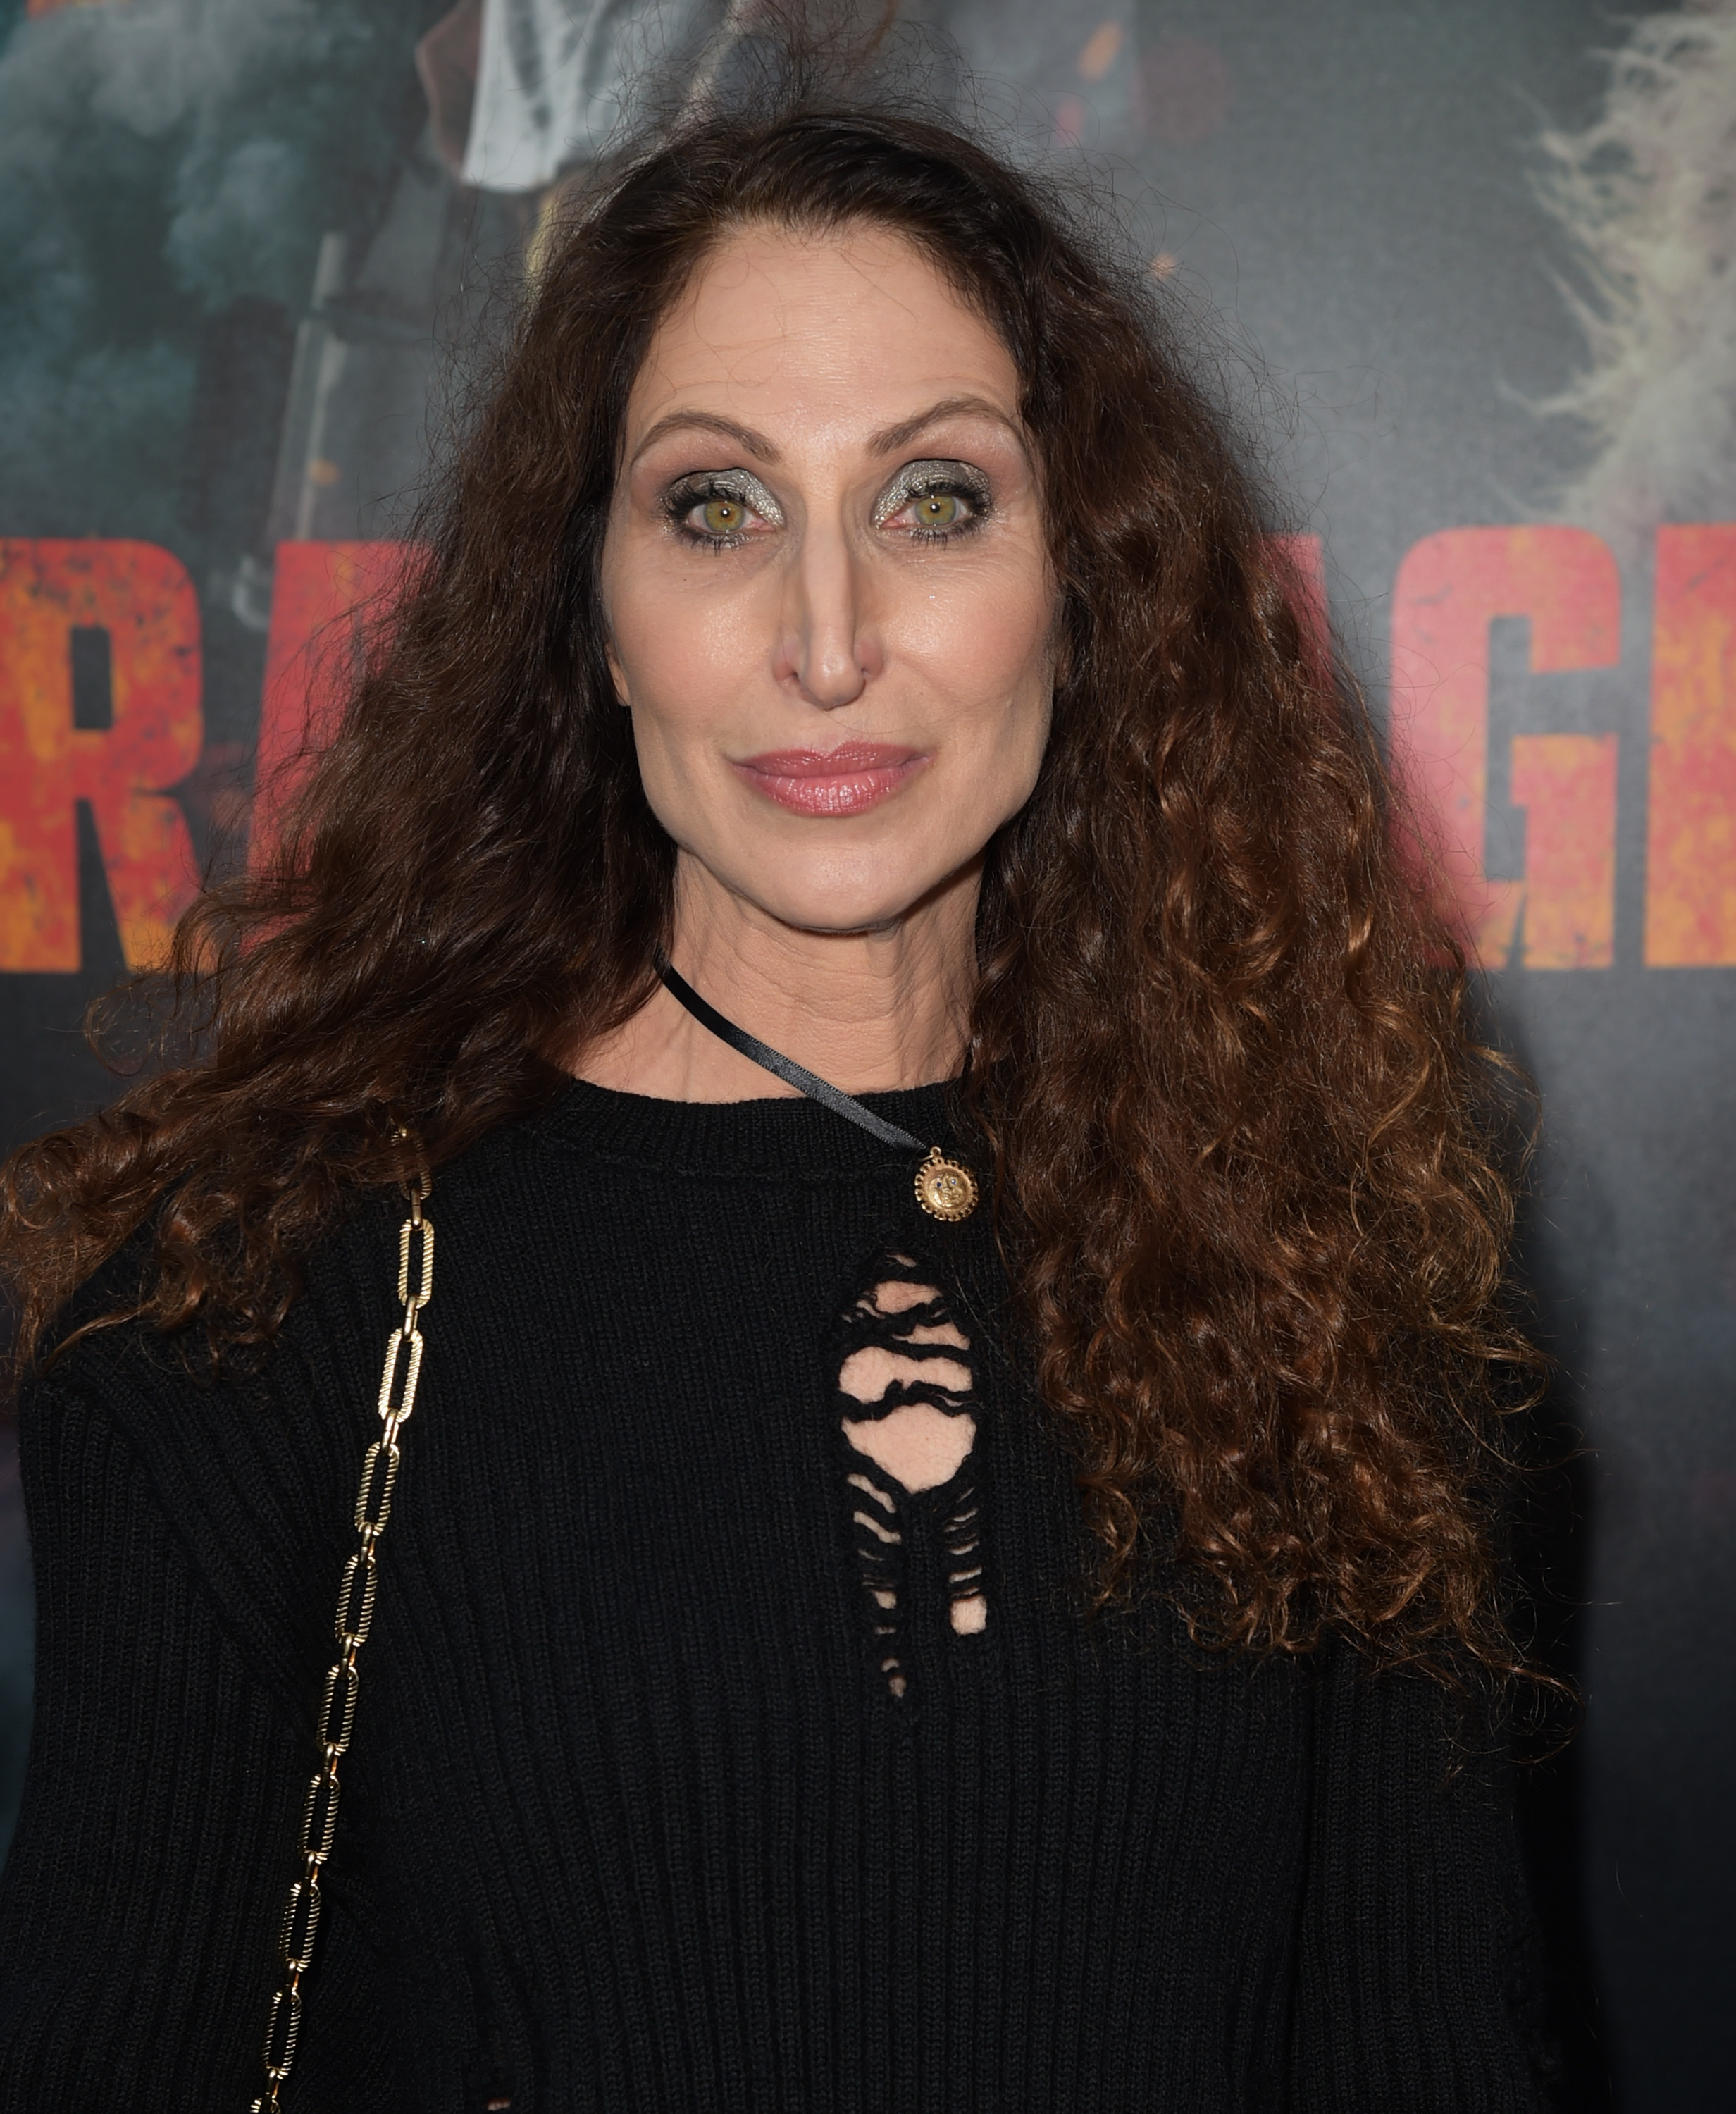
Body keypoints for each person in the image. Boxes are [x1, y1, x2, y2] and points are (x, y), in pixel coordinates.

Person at [0, 97, 1557, 2113]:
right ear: (590, 613)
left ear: (1085, 585)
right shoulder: (254, 1307)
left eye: (935, 500)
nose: (829, 645)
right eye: (717, 508)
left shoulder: (1325, 1275)